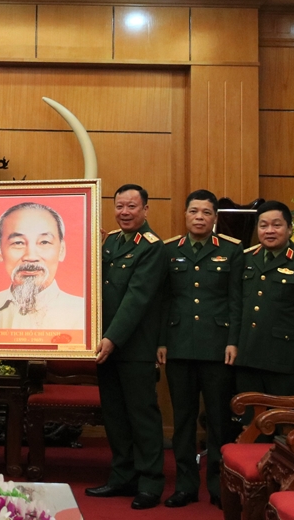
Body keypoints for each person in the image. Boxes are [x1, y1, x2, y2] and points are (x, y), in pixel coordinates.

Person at [157, 189, 242, 508]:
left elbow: (237, 300)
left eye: (206, 212)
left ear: (215, 218)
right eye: (194, 211)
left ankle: (220, 486)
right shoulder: (169, 250)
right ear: (185, 214)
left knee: (219, 420)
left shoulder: (232, 250)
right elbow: (164, 299)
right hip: (178, 345)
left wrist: (233, 340)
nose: (199, 217)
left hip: (218, 347)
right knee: (183, 420)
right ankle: (186, 485)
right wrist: (161, 340)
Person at [86, 184, 167, 510]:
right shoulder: (110, 243)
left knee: (142, 416)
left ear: (145, 209)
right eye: (119, 206)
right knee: (115, 416)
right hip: (105, 346)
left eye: (132, 206)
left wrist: (112, 338)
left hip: (134, 347)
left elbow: (137, 299)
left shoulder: (152, 247)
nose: (124, 212)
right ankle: (122, 477)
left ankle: (150, 483)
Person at [235, 200, 294, 427]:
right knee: (251, 426)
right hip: (248, 358)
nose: (269, 231)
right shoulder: (246, 258)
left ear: (290, 228)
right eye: (263, 225)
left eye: (276, 225)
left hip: (283, 362)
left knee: (284, 426)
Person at [0, 202, 84, 330]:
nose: (31, 256)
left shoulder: (83, 312)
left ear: (61, 250)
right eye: (18, 243)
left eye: (44, 242)